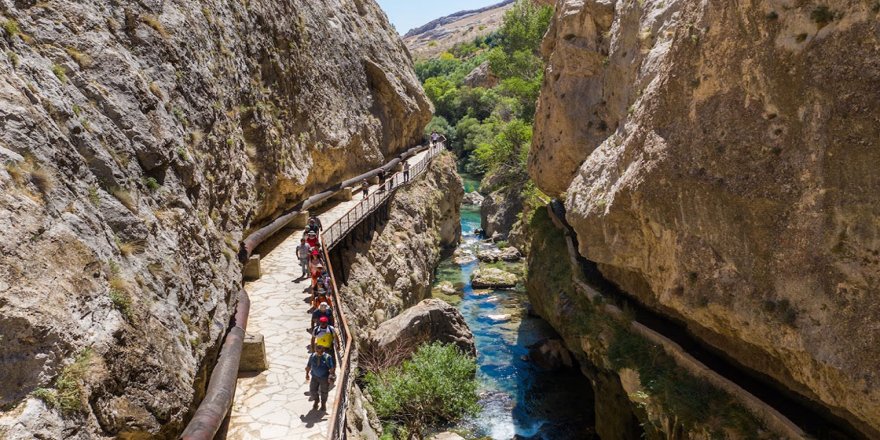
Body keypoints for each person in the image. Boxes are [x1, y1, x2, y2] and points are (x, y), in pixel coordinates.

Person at [305, 344, 335, 412]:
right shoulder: (312, 356)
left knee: (324, 392)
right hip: (314, 376)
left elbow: (331, 368)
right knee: (312, 390)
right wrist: (307, 374)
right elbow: (308, 366)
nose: (318, 353)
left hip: (324, 377)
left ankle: (323, 403)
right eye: (317, 351)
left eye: (320, 352)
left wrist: (331, 376)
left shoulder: (327, 357)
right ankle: (316, 400)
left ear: (323, 350)